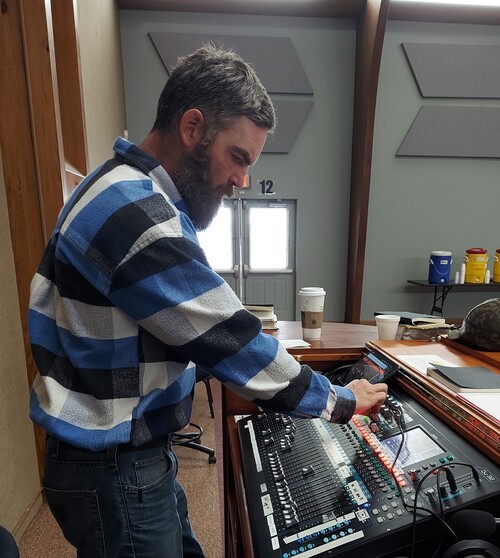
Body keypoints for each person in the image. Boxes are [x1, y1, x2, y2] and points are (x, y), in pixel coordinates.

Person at [28, 44, 387, 558]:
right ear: (192, 127)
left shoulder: (112, 186)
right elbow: (228, 338)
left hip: (126, 453)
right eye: (237, 157)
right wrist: (339, 401)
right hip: (115, 462)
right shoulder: (136, 212)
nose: (241, 181)